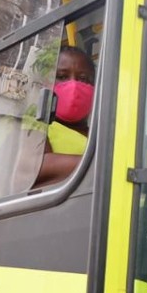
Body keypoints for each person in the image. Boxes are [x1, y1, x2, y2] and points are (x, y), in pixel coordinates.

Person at [34, 45, 95, 187]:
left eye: (83, 79)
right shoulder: (34, 124)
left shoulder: (99, 133)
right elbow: (35, 167)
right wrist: (105, 166)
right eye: (62, 77)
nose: (74, 85)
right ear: (46, 83)